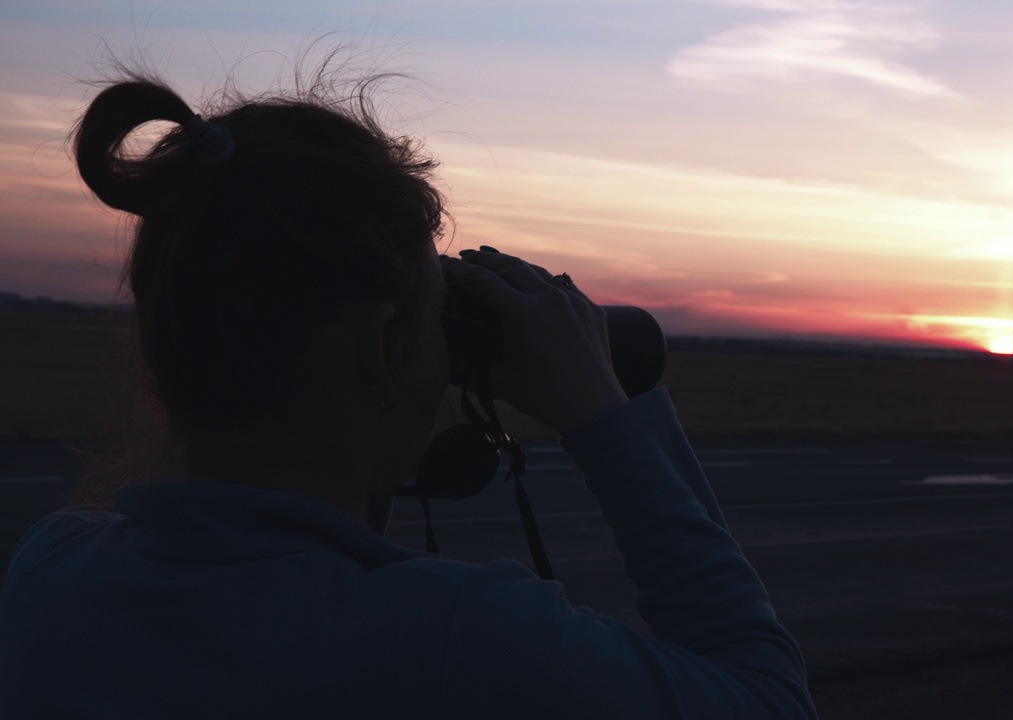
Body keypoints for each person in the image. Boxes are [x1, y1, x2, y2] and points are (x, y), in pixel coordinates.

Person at [0, 74, 817, 719]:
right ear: (383, 346)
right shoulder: (461, 638)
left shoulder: (53, 573)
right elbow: (768, 700)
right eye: (438, 319)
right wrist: (606, 415)